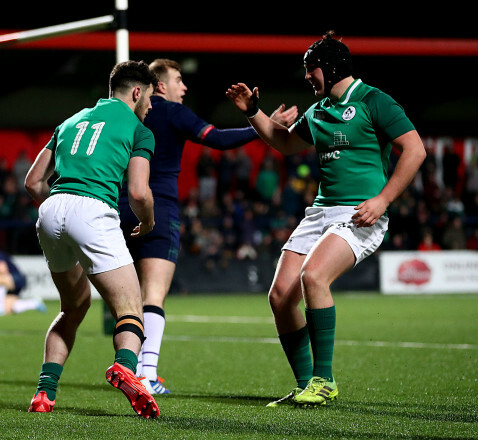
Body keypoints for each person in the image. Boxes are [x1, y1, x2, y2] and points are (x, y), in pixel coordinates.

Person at [226, 31, 426, 407]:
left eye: (310, 69)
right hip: (320, 213)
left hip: (359, 214)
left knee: (313, 277)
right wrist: (252, 111)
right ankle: (307, 386)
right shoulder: (319, 111)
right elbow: (284, 142)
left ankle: (324, 379)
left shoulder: (373, 100)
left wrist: (383, 200)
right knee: (281, 296)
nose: (306, 77)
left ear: (331, 67)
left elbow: (415, 150)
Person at [118, 58, 299, 395]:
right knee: (153, 296)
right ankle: (146, 375)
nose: (183, 87)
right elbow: (217, 139)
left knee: (127, 301)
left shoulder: (125, 113)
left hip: (120, 210)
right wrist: (263, 125)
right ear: (160, 85)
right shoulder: (172, 112)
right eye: (178, 80)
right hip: (158, 210)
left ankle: (127, 367)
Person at [24, 60, 160, 418]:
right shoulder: (138, 129)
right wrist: (147, 222)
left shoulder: (70, 121)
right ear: (136, 92)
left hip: (51, 209)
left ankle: (44, 393)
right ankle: (125, 368)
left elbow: (33, 182)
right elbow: (138, 192)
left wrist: (60, 212)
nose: (150, 106)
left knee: (73, 307)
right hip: (93, 209)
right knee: (131, 308)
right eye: (149, 98)